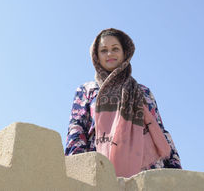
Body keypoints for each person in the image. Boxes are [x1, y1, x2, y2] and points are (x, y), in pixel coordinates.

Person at [65, 28, 182, 178]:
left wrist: (173, 169)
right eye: (104, 50)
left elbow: (158, 128)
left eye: (115, 49)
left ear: (124, 53)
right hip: (100, 169)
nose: (110, 54)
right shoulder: (87, 90)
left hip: (146, 171)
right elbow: (77, 128)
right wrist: (78, 169)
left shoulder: (142, 91)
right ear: (96, 56)